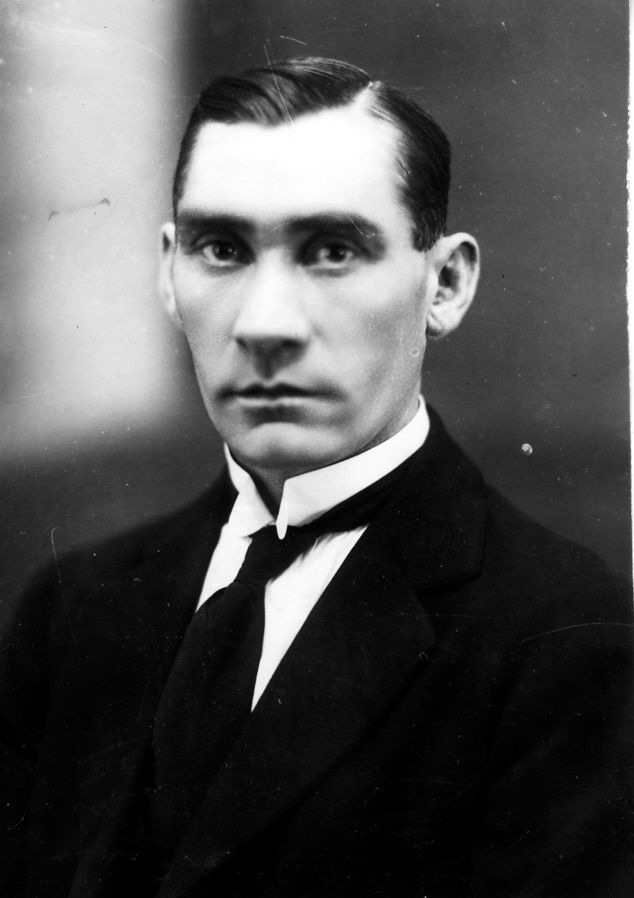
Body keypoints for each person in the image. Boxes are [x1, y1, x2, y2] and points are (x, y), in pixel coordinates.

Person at [1, 56, 632, 898]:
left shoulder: (569, 643)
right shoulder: (74, 609)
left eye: (332, 251)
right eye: (222, 249)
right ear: (167, 272)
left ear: (445, 284)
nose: (266, 323)